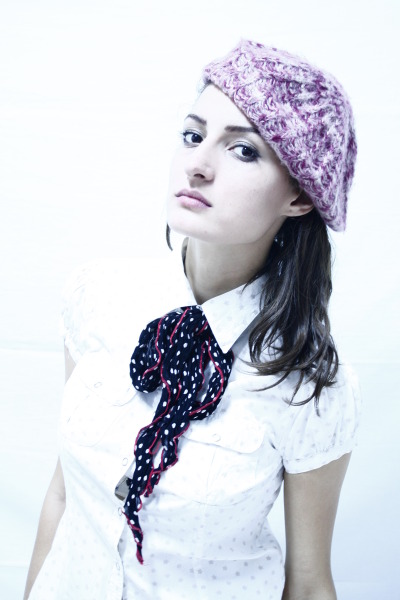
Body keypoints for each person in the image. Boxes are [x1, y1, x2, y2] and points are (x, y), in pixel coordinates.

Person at [24, 39, 361, 600]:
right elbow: (63, 496)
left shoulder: (310, 385)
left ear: (300, 197)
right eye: (193, 135)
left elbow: (307, 583)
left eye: (244, 150)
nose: (199, 165)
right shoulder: (96, 298)